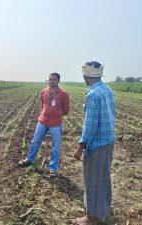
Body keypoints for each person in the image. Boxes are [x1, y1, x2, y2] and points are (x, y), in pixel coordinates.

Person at [72, 61, 115, 225]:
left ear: (85, 75)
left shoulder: (92, 95)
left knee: (92, 180)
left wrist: (80, 147)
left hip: (97, 145)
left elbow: (89, 126)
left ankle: (91, 217)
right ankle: (102, 210)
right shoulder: (107, 90)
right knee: (103, 178)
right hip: (108, 141)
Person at [18, 73, 70, 177]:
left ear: (58, 81)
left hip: (55, 123)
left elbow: (66, 111)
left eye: (54, 80)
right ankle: (29, 159)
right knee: (35, 141)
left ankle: (53, 169)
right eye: (50, 79)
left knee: (55, 146)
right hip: (42, 121)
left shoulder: (63, 94)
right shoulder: (43, 92)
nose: (51, 81)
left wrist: (55, 115)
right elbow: (43, 106)